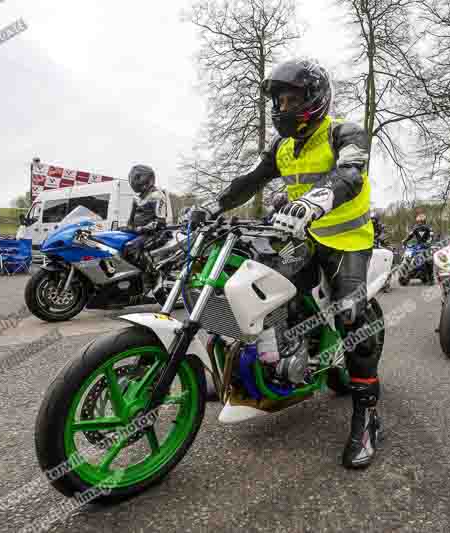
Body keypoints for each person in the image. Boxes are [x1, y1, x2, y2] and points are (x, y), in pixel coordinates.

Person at [212, 58, 382, 469]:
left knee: (352, 318)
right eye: (280, 100)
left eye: (293, 98)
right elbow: (251, 179)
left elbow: (351, 176)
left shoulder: (346, 131)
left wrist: (313, 201)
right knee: (261, 294)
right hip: (299, 238)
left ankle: (367, 417)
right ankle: (270, 367)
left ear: (316, 97)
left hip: (347, 241)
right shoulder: (282, 147)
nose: (284, 107)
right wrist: (213, 206)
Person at [119, 164, 170, 271]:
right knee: (116, 241)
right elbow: (131, 219)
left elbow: (160, 221)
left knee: (131, 247)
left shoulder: (157, 195)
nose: (133, 181)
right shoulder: (136, 198)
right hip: (139, 232)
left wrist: (141, 229)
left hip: (155, 233)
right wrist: (127, 227)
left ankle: (149, 276)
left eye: (137, 177)